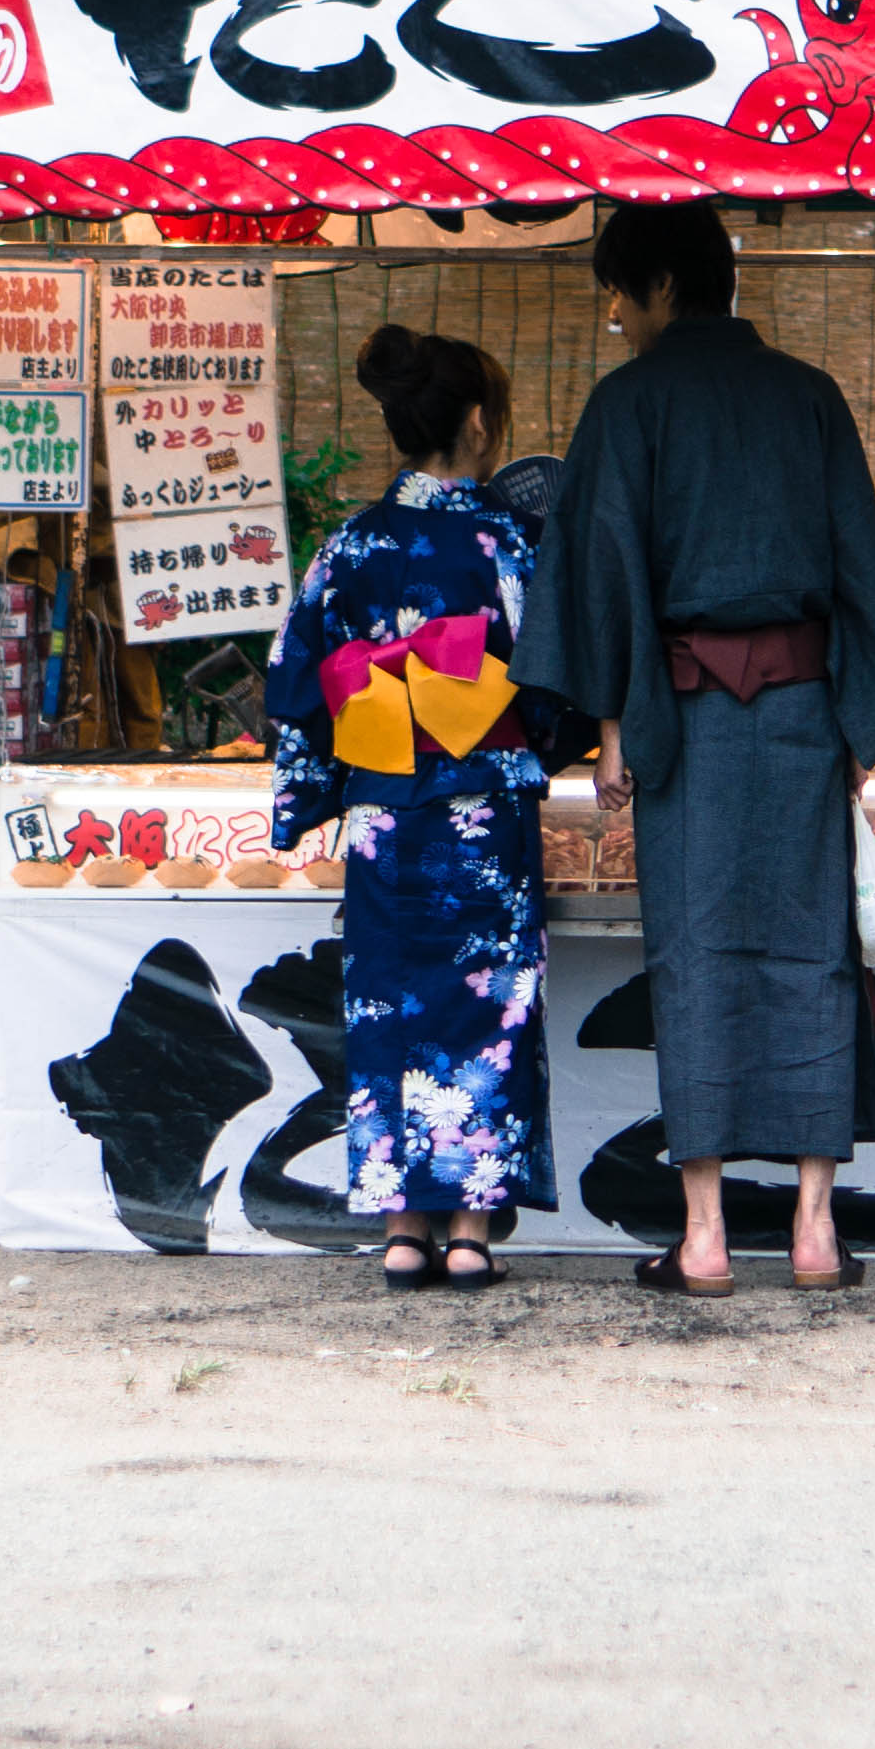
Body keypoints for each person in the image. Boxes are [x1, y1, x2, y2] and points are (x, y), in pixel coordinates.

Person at [514, 202, 875, 1297]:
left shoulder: (628, 403)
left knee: (693, 963)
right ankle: (815, 1228)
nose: (616, 319)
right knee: (810, 959)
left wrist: (611, 728)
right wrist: (857, 729)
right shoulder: (809, 396)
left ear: (663, 289)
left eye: (620, 297)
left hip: (681, 724)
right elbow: (861, 571)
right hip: (800, 722)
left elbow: (598, 577)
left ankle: (705, 1236)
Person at [261, 328, 559, 1292]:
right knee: (488, 1008)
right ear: (479, 424)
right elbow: (556, 683)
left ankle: (400, 1229)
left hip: (387, 809)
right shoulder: (508, 543)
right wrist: (541, 744)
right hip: (481, 813)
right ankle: (470, 1231)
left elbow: (300, 679)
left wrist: (309, 794)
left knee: (387, 1004)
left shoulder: (353, 544)